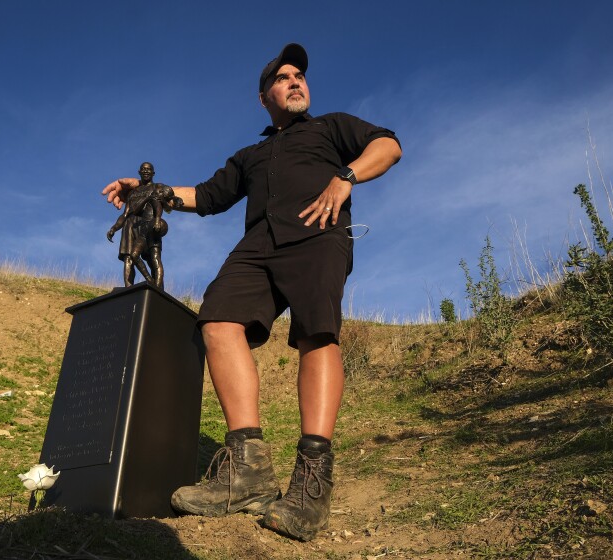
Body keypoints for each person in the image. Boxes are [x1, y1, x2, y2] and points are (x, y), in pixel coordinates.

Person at [102, 43, 401, 541]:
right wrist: (150, 193)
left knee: (316, 333)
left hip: (318, 231)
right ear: (265, 96)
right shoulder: (251, 155)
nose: (296, 81)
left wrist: (345, 178)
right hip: (259, 244)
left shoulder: (332, 127)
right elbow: (206, 196)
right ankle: (248, 473)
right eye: (283, 78)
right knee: (217, 321)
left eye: (299, 75)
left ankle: (311, 481)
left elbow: (388, 146)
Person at [107, 162, 183, 289]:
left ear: (153, 173)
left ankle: (158, 289)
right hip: (131, 224)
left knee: (152, 258)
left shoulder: (158, 187)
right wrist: (114, 228)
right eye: (143, 169)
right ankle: (128, 288)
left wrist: (176, 200)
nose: (146, 171)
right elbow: (125, 214)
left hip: (149, 223)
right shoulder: (132, 193)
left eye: (149, 169)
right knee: (129, 257)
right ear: (139, 172)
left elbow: (171, 197)